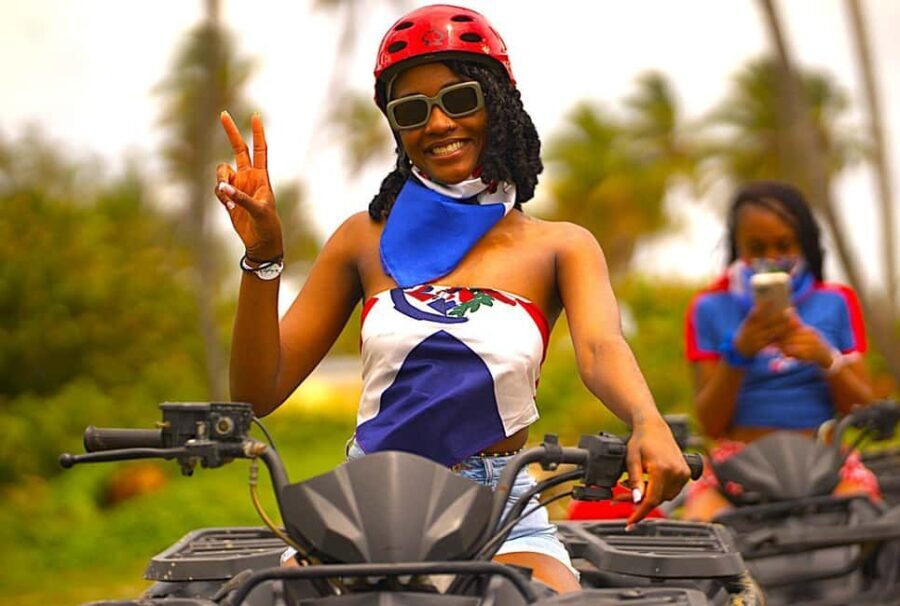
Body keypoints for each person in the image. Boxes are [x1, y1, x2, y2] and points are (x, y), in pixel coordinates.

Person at [214, 4, 689, 593]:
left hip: (501, 508)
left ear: (498, 103)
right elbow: (258, 393)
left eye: (460, 99)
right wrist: (263, 257)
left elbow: (600, 348)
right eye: (412, 110)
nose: (438, 124)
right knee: (265, 598)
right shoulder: (361, 240)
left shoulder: (561, 246)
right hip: (366, 498)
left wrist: (646, 420)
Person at [683, 180, 878, 521]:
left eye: (784, 245)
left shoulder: (836, 302)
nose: (772, 259)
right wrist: (737, 355)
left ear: (803, 244)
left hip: (826, 460)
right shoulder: (709, 308)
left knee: (866, 520)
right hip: (739, 464)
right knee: (702, 525)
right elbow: (711, 424)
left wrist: (826, 359)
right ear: (738, 247)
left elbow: (863, 409)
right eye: (757, 248)